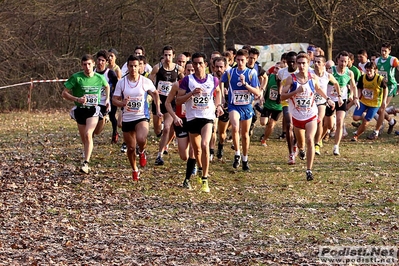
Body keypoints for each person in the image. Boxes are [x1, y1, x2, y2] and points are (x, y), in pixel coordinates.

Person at [281, 53, 335, 181]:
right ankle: (300, 149)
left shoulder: (313, 78)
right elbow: (282, 96)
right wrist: (295, 92)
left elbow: (318, 89)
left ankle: (309, 170)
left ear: (308, 64)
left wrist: (328, 99)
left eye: (304, 63)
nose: (301, 66)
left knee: (310, 139)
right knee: (301, 143)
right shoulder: (291, 79)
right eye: (299, 63)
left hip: (311, 114)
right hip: (297, 116)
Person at [176, 52, 224, 192]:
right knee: (196, 150)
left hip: (207, 117)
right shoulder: (187, 80)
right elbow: (178, 100)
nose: (198, 66)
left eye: (200, 63)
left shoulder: (212, 80)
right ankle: (200, 167)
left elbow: (218, 92)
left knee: (204, 145)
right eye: (195, 63)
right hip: (192, 118)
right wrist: (191, 94)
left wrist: (219, 105)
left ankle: (205, 179)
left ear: (206, 65)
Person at [112, 55, 162, 181]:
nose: (133, 68)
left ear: (140, 66)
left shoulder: (145, 81)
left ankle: (142, 152)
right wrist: (121, 103)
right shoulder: (122, 82)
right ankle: (135, 169)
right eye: (131, 66)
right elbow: (114, 99)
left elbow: (155, 94)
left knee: (141, 138)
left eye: (136, 66)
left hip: (141, 116)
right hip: (127, 118)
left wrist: (158, 110)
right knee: (130, 148)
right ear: (127, 67)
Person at [62, 54, 110, 174]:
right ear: (82, 65)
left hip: (93, 109)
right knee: (85, 138)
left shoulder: (99, 77)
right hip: (80, 110)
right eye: (84, 64)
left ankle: (86, 163)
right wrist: (77, 99)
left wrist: (107, 99)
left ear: (93, 64)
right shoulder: (76, 78)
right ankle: (87, 154)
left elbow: (107, 86)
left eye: (89, 64)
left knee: (89, 134)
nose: (87, 67)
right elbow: (64, 93)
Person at [220, 49, 261, 171]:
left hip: (247, 106)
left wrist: (245, 84)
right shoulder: (230, 72)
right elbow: (220, 82)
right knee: (235, 126)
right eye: (238, 60)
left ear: (247, 60)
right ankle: (237, 154)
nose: (240, 62)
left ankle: (245, 158)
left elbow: (257, 92)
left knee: (245, 134)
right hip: (234, 105)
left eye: (242, 60)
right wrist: (222, 97)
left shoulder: (251, 73)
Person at [149, 45, 184, 165]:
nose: (167, 57)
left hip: (171, 103)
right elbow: (149, 82)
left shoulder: (179, 69)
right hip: (158, 102)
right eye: (165, 55)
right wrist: (154, 91)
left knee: (167, 128)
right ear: (163, 55)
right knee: (158, 130)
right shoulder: (157, 68)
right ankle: (162, 140)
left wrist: (179, 94)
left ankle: (159, 154)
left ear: (173, 56)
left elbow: (183, 83)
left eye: (170, 55)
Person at [165, 61, 197, 189]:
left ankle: (187, 178)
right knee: (183, 155)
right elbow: (167, 103)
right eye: (188, 70)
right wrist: (175, 117)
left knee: (193, 152)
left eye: (192, 70)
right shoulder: (177, 85)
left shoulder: (200, 86)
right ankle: (191, 161)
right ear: (183, 71)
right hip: (181, 121)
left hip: (194, 120)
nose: (190, 73)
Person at [324, 51, 359, 155]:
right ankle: (319, 140)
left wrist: (355, 97)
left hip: (342, 100)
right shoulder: (331, 71)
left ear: (348, 62)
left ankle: (336, 146)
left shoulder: (349, 73)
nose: (343, 63)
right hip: (330, 100)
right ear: (337, 60)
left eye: (345, 61)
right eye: (341, 61)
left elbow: (353, 86)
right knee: (328, 125)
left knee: (340, 121)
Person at [352, 62, 387, 141]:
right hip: (364, 101)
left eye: (370, 70)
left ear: (374, 70)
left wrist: (384, 100)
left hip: (375, 103)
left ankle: (356, 135)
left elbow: (385, 88)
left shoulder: (379, 79)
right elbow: (359, 88)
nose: (368, 72)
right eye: (367, 70)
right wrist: (357, 97)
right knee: (355, 117)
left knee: (365, 122)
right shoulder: (362, 77)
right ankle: (367, 117)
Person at [313, 55, 340, 155]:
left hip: (322, 101)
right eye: (315, 62)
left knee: (320, 121)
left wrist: (339, 96)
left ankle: (316, 144)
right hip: (310, 102)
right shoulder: (310, 73)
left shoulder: (327, 75)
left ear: (324, 64)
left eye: (319, 62)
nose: (316, 64)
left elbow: (336, 84)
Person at [371, 42, 399, 139]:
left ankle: (376, 131)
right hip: (381, 86)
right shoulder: (377, 60)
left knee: (382, 108)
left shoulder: (393, 60)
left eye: (385, 51)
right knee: (379, 108)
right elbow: (375, 73)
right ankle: (391, 121)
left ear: (389, 51)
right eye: (382, 50)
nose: (383, 53)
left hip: (391, 86)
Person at [277, 51, 298, 164]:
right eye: (289, 62)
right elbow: (278, 80)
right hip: (286, 102)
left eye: (293, 62)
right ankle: (291, 154)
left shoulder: (301, 71)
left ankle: (296, 144)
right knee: (289, 125)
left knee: (297, 128)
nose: (291, 64)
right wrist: (279, 93)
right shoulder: (282, 72)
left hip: (299, 103)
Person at [93, 50, 118, 137]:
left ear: (106, 62)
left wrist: (114, 97)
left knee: (112, 117)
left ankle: (115, 132)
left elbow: (117, 86)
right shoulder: (92, 72)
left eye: (103, 60)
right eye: (99, 60)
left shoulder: (110, 73)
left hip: (108, 101)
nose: (100, 62)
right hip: (95, 101)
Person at [259, 62, 282, 146]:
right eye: (275, 68)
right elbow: (265, 88)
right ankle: (266, 118)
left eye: (278, 68)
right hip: (268, 104)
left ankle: (264, 139)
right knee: (263, 122)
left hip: (278, 107)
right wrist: (262, 97)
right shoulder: (270, 77)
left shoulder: (285, 80)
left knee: (271, 124)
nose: (276, 70)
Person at [108, 48, 122, 144]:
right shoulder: (104, 66)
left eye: (111, 56)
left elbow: (119, 84)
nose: (109, 58)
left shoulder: (117, 69)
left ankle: (114, 133)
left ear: (115, 58)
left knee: (111, 115)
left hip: (112, 95)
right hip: (103, 95)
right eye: (108, 56)